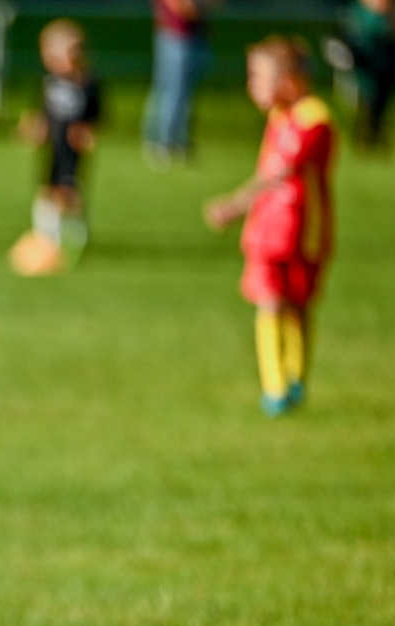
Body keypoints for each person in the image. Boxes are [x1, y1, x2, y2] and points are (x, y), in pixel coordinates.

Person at [204, 37, 336, 417]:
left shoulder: (313, 118)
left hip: (302, 229)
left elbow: (280, 171)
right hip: (269, 229)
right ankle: (275, 387)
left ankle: (295, 380)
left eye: (259, 78)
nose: (252, 87)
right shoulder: (280, 116)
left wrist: (234, 204)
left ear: (290, 81)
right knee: (269, 300)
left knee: (297, 306)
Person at [9, 20, 101, 277]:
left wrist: (87, 132)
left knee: (68, 193)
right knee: (47, 190)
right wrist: (33, 129)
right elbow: (41, 113)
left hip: (73, 150)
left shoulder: (88, 84)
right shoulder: (47, 82)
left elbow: (97, 117)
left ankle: (75, 237)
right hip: (52, 147)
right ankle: (46, 239)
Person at [327, 0, 395, 153]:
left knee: (382, 105)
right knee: (365, 103)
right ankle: (363, 139)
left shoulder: (393, 10)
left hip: (386, 66)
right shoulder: (357, 10)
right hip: (364, 66)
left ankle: (377, 139)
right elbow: (345, 36)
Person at [142, 0, 209, 169]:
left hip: (194, 36)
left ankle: (179, 141)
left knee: (183, 93)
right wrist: (198, 8)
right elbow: (184, 9)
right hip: (175, 35)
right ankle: (162, 142)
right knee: (171, 92)